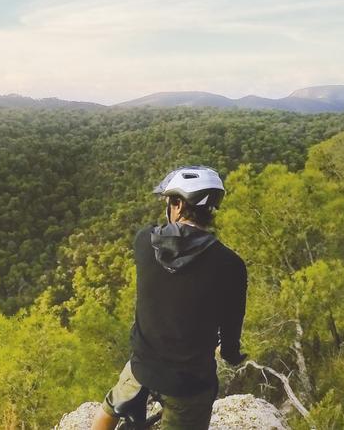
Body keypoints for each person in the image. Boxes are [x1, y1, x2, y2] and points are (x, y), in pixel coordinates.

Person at [92, 166, 248, 430]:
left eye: (169, 201)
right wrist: (231, 354)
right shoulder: (231, 265)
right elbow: (231, 326)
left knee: (110, 409)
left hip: (142, 366)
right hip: (188, 382)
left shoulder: (144, 241)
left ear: (177, 204)